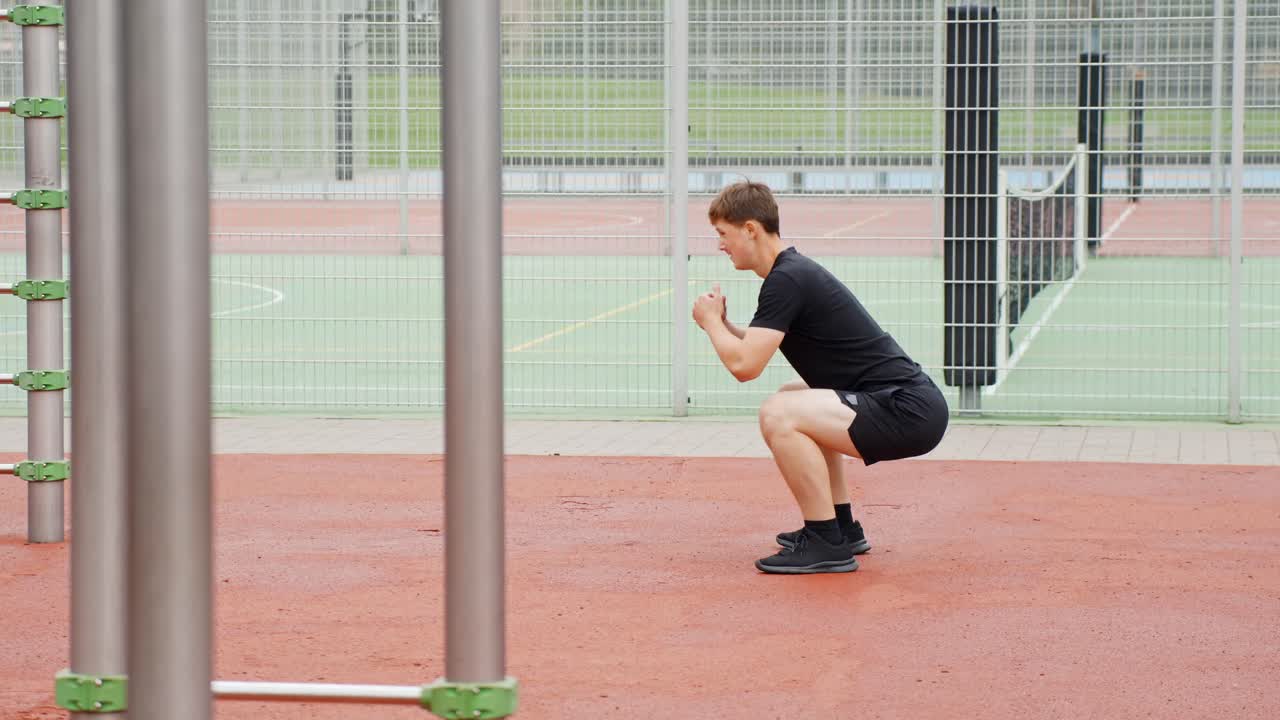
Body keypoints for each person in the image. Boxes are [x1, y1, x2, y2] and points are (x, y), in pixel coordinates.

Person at [691, 181, 949, 575]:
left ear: (750, 229)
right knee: (793, 394)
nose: (720, 245)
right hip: (910, 404)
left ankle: (825, 541)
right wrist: (724, 325)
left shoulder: (786, 279)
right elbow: (757, 345)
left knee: (779, 413)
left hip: (906, 410)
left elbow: (745, 367)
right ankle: (842, 527)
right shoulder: (790, 273)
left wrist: (711, 325)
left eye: (723, 234)